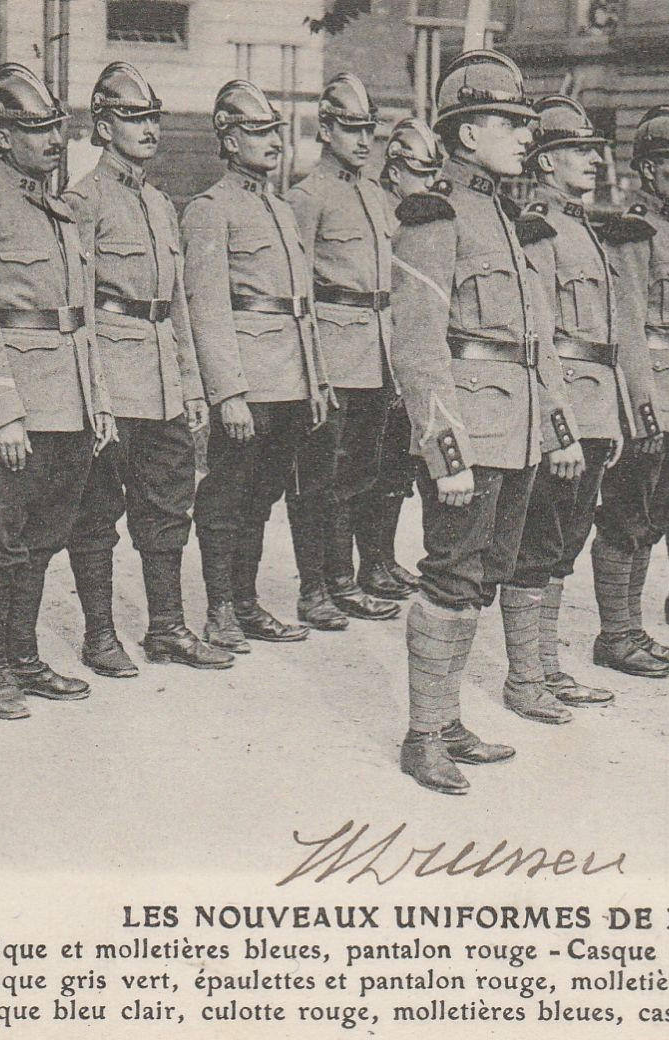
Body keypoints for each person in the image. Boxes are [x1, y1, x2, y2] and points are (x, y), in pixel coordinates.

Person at [387, 49, 583, 793]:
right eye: (510, 123)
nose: (525, 136)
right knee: (452, 574)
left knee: (484, 576)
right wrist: (446, 454)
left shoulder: (510, 221)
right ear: (466, 134)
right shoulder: (434, 218)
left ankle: (445, 718)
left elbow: (538, 345)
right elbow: (416, 346)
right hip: (470, 431)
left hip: (520, 428)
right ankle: (422, 735)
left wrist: (558, 433)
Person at [0, 63, 114, 720]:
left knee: (42, 539)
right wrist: (0, 415)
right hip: (14, 411)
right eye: (35, 130)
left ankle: (25, 657)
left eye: (55, 129)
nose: (50, 141)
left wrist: (95, 404)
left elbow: (80, 320)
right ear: (2, 135)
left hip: (66, 406)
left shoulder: (61, 211)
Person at [63, 62, 234, 677]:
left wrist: (191, 385)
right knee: (98, 510)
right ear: (102, 126)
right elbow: (77, 308)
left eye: (154, 117)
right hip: (112, 378)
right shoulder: (83, 201)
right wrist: (96, 395)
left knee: (167, 507)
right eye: (134, 118)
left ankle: (166, 628)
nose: (149, 128)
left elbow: (178, 305)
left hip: (162, 381)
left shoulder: (163, 204)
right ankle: (100, 634)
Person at [182, 79, 332, 650]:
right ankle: (219, 608)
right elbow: (208, 307)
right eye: (258, 131)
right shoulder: (209, 211)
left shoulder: (281, 208)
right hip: (248, 379)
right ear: (228, 138)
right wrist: (228, 393)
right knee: (226, 495)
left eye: (275, 130)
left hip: (290, 380)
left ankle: (245, 603)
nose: (274, 142)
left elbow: (303, 307)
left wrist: (316, 379)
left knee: (263, 495)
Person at [499, 94, 630, 717]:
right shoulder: (539, 229)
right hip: (564, 410)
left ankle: (548, 667)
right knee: (538, 539)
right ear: (545, 163)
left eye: (594, 151)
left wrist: (617, 413)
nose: (593, 162)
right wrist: (558, 426)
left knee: (566, 541)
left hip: (596, 405)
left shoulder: (584, 228)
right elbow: (539, 336)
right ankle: (525, 678)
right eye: (579, 151)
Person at [590, 105, 669, 678]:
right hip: (651, 396)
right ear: (646, 171)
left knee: (658, 513)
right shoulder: (633, 229)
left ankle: (632, 630)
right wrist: (641, 410)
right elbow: (628, 324)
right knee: (629, 512)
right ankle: (616, 634)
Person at [285, 72, 402, 631]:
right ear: (324, 130)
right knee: (318, 478)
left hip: (374, 353)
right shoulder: (307, 197)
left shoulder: (376, 194)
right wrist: (313, 370)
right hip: (332, 353)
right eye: (351, 129)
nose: (363, 140)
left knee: (361, 472)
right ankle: (316, 589)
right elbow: (298, 292)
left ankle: (346, 580)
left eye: (369, 131)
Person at [355, 117, 446, 601]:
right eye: (421, 174)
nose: (429, 186)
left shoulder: (424, 222)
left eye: (434, 176)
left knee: (398, 470)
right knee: (369, 466)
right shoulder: (380, 217)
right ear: (394, 172)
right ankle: (367, 563)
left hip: (406, 356)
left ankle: (383, 558)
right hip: (374, 357)